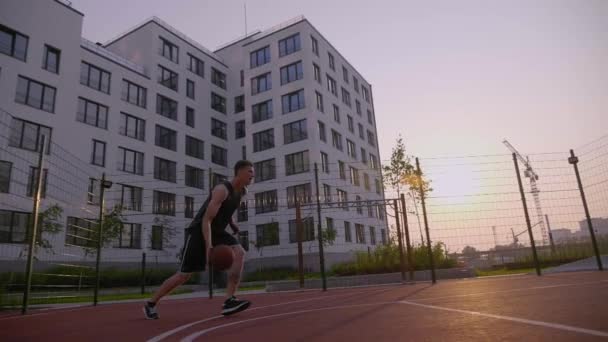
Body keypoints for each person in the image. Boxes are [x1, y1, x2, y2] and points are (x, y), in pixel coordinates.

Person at [143, 160, 254, 319]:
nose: (253, 174)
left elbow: (226, 210)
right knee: (183, 275)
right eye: (250, 171)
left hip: (218, 231)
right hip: (198, 232)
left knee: (240, 253)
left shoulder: (242, 191)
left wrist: (232, 224)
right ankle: (150, 303)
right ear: (239, 172)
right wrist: (209, 247)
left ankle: (229, 300)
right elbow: (206, 220)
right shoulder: (222, 189)